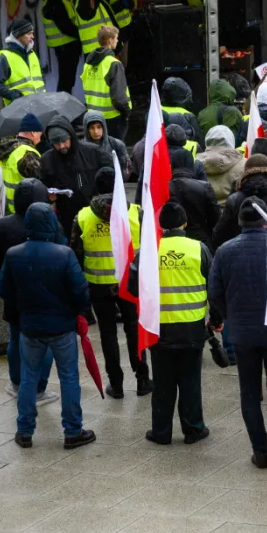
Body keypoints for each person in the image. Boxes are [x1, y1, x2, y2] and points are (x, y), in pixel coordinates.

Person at [209, 198, 267, 470]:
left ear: (240, 222)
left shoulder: (225, 251)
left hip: (242, 333)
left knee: (249, 393)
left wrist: (229, 317)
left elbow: (214, 292)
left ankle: (259, 452)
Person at [0, 203, 96, 450]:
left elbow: (2, 289)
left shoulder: (14, 254)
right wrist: (74, 310)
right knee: (69, 378)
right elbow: (81, 291)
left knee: (28, 378)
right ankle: (73, 431)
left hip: (30, 327)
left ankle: (24, 431)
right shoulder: (64, 254)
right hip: (62, 326)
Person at [133, 202, 209, 445]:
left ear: (161, 225)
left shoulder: (148, 251)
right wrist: (216, 318)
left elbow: (132, 287)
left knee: (163, 383)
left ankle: (161, 432)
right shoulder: (199, 248)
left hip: (159, 329)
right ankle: (194, 429)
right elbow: (214, 284)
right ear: (185, 223)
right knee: (190, 381)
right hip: (192, 327)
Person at [72, 167, 148, 399]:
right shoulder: (136, 213)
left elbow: (76, 253)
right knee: (134, 329)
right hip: (130, 282)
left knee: (107, 334)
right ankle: (143, 379)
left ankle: (116, 384)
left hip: (98, 284)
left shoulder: (83, 216)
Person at [80, 24, 130, 139]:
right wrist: (126, 112)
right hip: (113, 117)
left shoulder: (88, 63)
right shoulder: (114, 64)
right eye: (116, 38)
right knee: (115, 152)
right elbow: (119, 95)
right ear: (110, 41)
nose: (118, 41)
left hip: (93, 115)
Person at [0, 18, 45, 107]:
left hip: (39, 105)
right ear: (19, 35)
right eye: (28, 34)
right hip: (19, 108)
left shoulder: (32, 54)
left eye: (32, 33)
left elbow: (40, 79)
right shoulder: (5, 57)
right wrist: (17, 96)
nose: (32, 37)